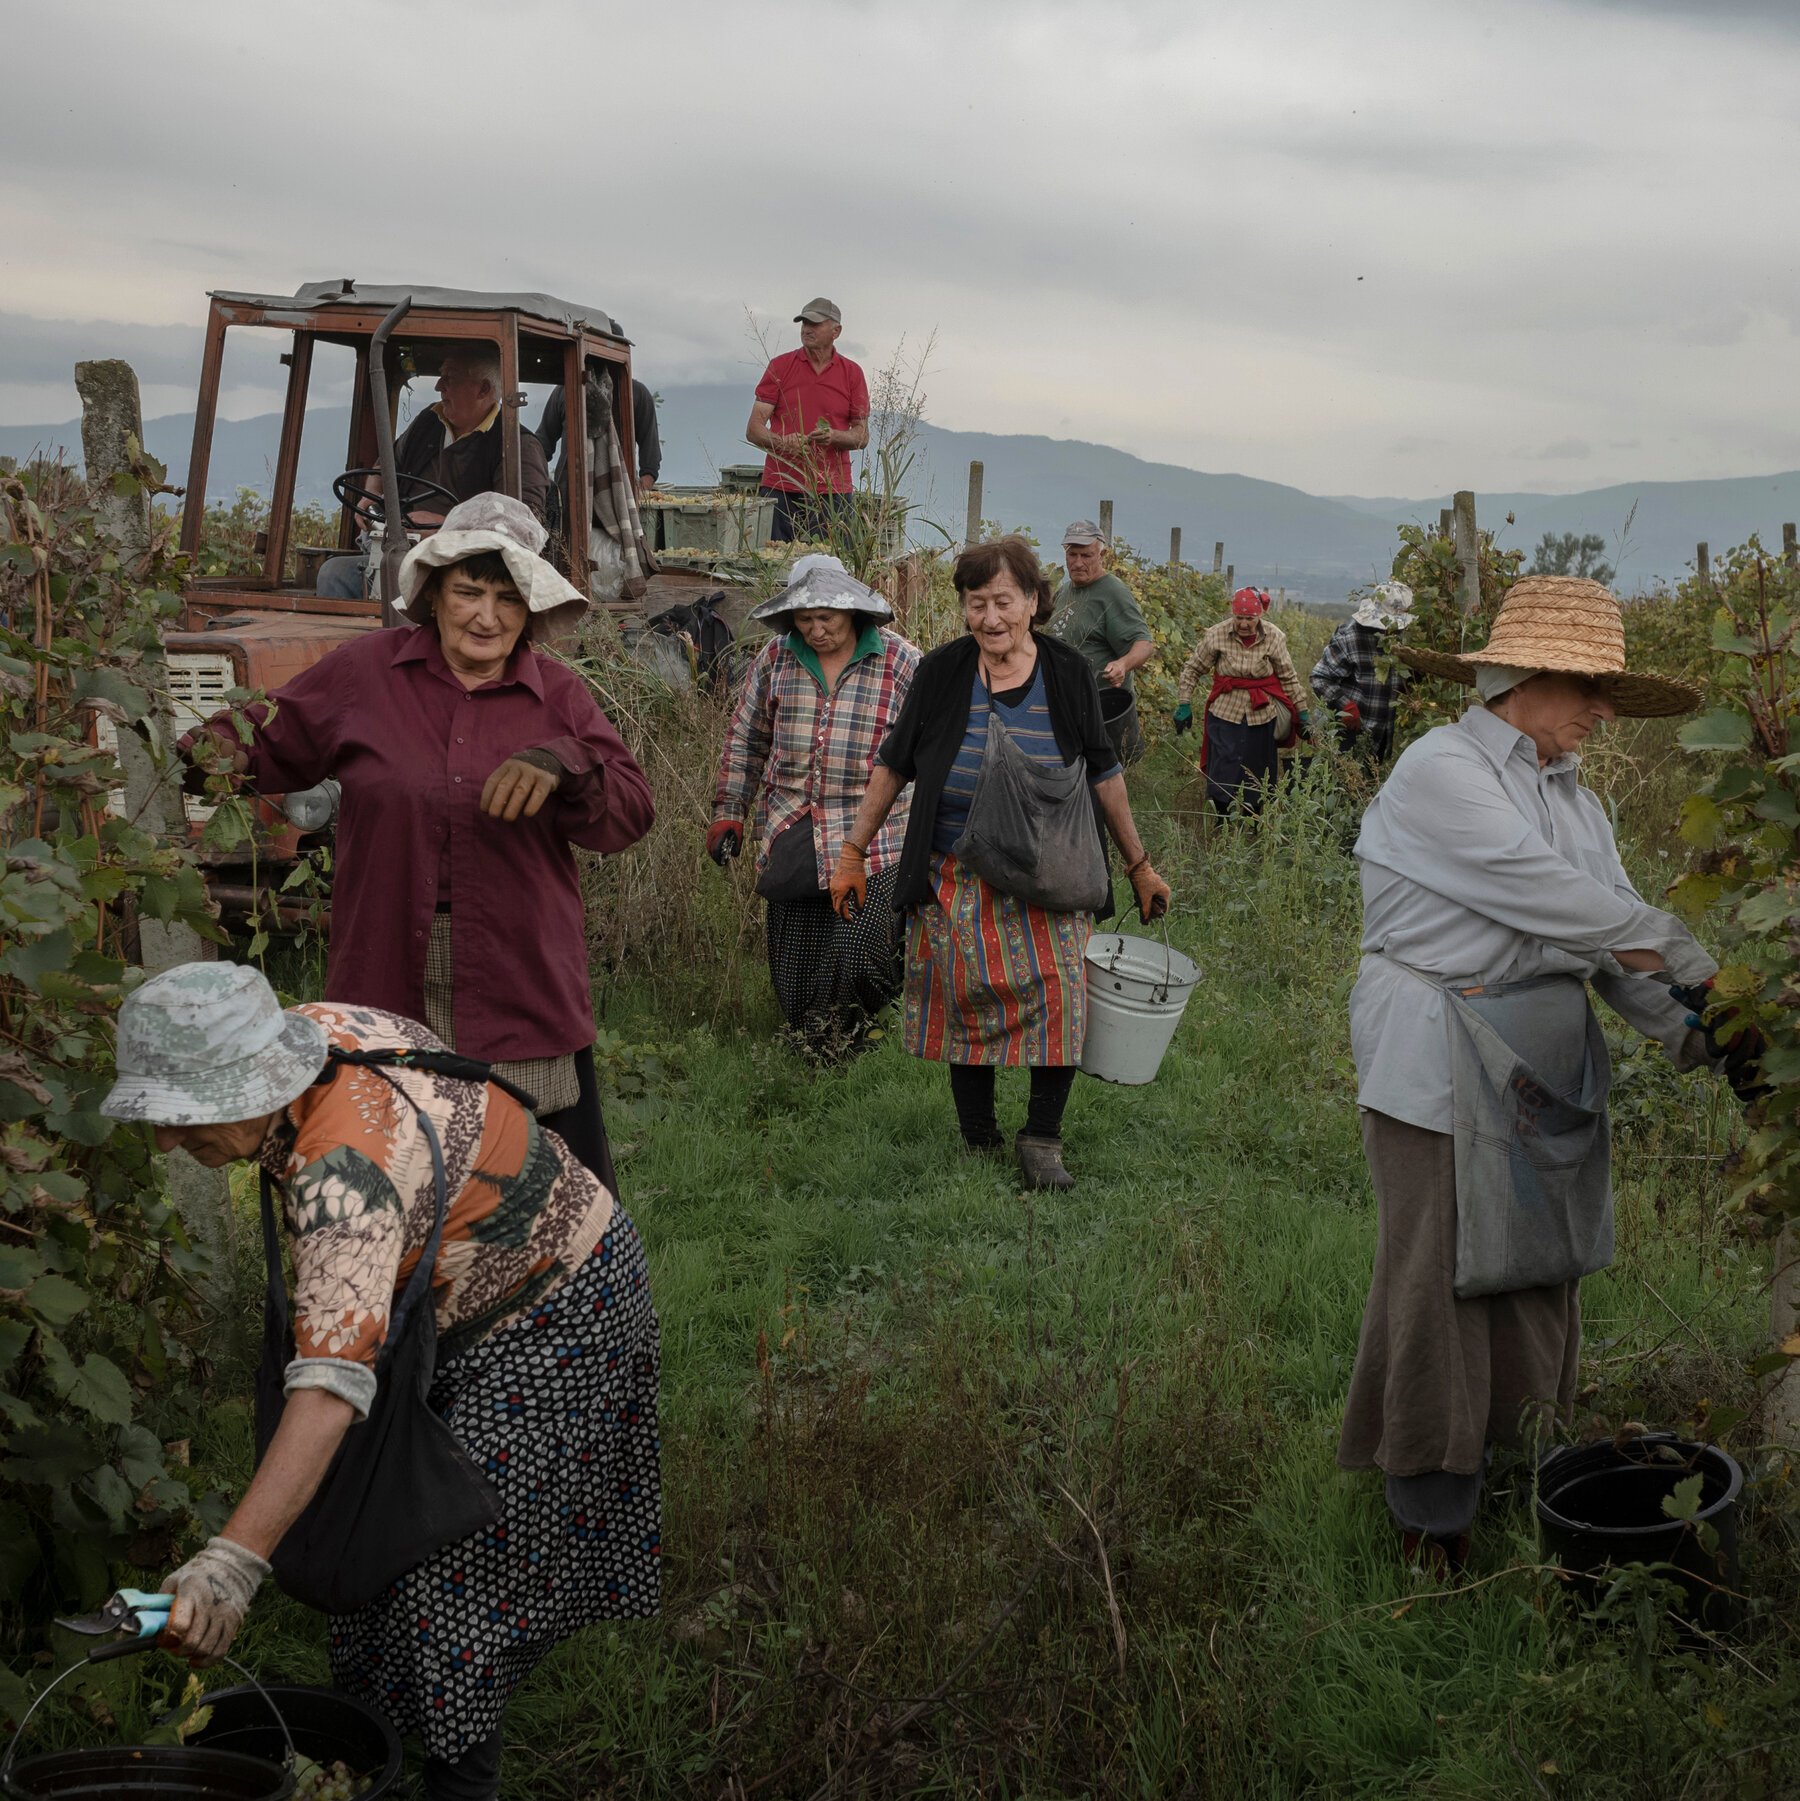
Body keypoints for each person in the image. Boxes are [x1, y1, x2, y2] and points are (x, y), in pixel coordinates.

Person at [106, 962, 659, 1801]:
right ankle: (376, 1730)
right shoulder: (306, 1034)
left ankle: (458, 1777)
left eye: (182, 1115)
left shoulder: (344, 1177)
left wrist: (231, 1563)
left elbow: (328, 1395)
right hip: (448, 1297)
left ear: (252, 1084)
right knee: (378, 1526)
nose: (165, 1141)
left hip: (558, 1304)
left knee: (453, 1560)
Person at [1339, 575, 1751, 1573]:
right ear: (1528, 677)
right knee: (1443, 1278)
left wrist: (1718, 1038)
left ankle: (1521, 1466)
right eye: (1588, 689)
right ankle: (1430, 1522)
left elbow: (1613, 944)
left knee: (1535, 1269)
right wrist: (1705, 974)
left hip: (1537, 1061)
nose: (1603, 713)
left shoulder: (1578, 803)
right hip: (1441, 1052)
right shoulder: (1445, 773)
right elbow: (1568, 907)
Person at [182, 494, 653, 1190]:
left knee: (523, 1181)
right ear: (433, 593)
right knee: (394, 1165)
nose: (486, 616)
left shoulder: (557, 697)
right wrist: (189, 750)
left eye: (506, 596)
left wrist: (565, 764)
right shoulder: (366, 673)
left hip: (515, 975)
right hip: (386, 966)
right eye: (467, 591)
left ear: (528, 609)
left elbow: (630, 810)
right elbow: (266, 736)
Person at [834, 536, 1171, 1191]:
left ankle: (1042, 1138)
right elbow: (895, 764)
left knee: (1063, 998)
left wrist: (1140, 865)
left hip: (1054, 871)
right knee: (968, 998)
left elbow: (1105, 772)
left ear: (1035, 602)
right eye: (976, 602)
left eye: (1004, 602)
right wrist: (852, 852)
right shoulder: (942, 672)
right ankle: (977, 1134)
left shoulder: (1069, 673)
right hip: (956, 871)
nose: (990, 618)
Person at [709, 555, 919, 1055]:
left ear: (854, 612)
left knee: (864, 949)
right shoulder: (776, 658)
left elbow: (934, 747)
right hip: (794, 823)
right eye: (805, 619)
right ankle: (813, 1045)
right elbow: (746, 739)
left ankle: (864, 1037)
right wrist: (728, 812)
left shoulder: (901, 661)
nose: (817, 629)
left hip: (876, 834)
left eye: (827, 618)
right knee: (796, 959)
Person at [317, 344, 552, 599]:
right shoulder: (429, 421)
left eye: (449, 377)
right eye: (441, 376)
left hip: (463, 572)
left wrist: (445, 527)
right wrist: (371, 494)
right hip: (400, 553)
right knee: (333, 574)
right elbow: (385, 464)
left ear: (484, 389)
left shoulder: (518, 446)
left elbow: (525, 527)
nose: (439, 386)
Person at [1173, 587, 1310, 814]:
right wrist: (1184, 703)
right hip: (1225, 711)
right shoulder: (1217, 635)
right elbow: (1193, 669)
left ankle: (1254, 821)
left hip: (1261, 713)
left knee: (1258, 768)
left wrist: (1302, 713)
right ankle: (1222, 818)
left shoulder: (1274, 637)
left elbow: (1288, 677)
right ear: (1232, 615)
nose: (1244, 624)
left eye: (1250, 619)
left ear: (1259, 616)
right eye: (1239, 618)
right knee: (1223, 766)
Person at [745, 298, 869, 544]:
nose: (806, 329)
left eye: (814, 323)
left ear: (836, 331)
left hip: (833, 490)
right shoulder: (780, 366)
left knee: (831, 565)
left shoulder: (852, 373)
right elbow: (753, 430)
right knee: (774, 563)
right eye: (803, 323)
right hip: (780, 485)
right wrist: (782, 443)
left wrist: (834, 436)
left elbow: (861, 437)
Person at [1045, 521, 1154, 763]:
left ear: (1102, 554)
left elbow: (1144, 644)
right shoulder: (1064, 592)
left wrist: (1123, 664)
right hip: (1067, 710)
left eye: (1086, 555)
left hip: (1102, 714)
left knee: (1099, 787)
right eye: (1072, 554)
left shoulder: (1112, 592)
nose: (1078, 562)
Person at [1310, 580, 1415, 762]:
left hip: (1380, 731)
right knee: (1339, 782)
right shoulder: (1350, 636)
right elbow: (1319, 677)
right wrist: (1345, 706)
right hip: (1343, 731)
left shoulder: (1402, 641)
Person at [535, 374, 661, 498]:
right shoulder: (565, 391)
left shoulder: (636, 392)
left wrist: (639, 493)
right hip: (573, 492)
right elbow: (541, 446)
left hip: (620, 493)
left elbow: (650, 453)